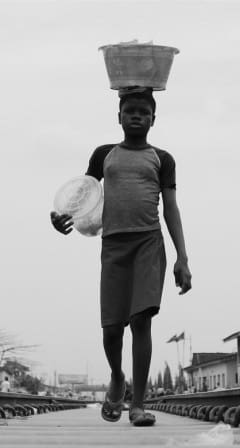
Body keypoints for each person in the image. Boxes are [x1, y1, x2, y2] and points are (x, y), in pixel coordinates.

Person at [50, 88, 192, 427]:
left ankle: (138, 405)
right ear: (119, 117)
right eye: (130, 110)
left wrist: (182, 257)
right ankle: (117, 376)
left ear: (153, 119)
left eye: (144, 111)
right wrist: (60, 216)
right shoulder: (104, 155)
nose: (137, 116)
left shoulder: (162, 159)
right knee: (112, 329)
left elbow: (170, 207)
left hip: (148, 244)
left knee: (142, 320)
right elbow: (83, 193)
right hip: (113, 246)